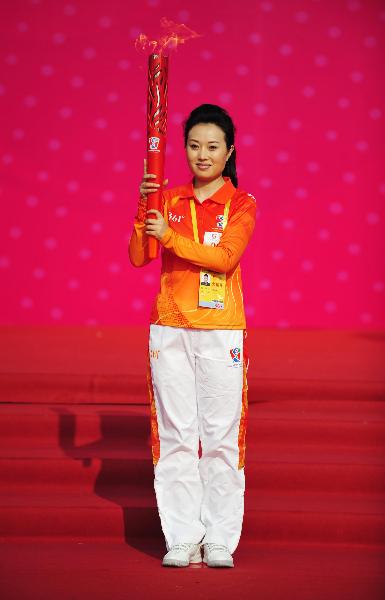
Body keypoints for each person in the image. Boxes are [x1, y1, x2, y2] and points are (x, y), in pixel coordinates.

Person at [128, 103, 257, 568]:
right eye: (195, 146)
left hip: (221, 331)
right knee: (176, 434)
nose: (202, 155)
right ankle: (182, 535)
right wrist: (146, 203)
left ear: (229, 152)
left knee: (221, 437)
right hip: (169, 329)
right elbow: (139, 255)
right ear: (184, 148)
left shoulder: (242, 203)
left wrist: (170, 238)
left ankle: (219, 537)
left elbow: (224, 258)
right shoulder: (169, 198)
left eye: (212, 147)